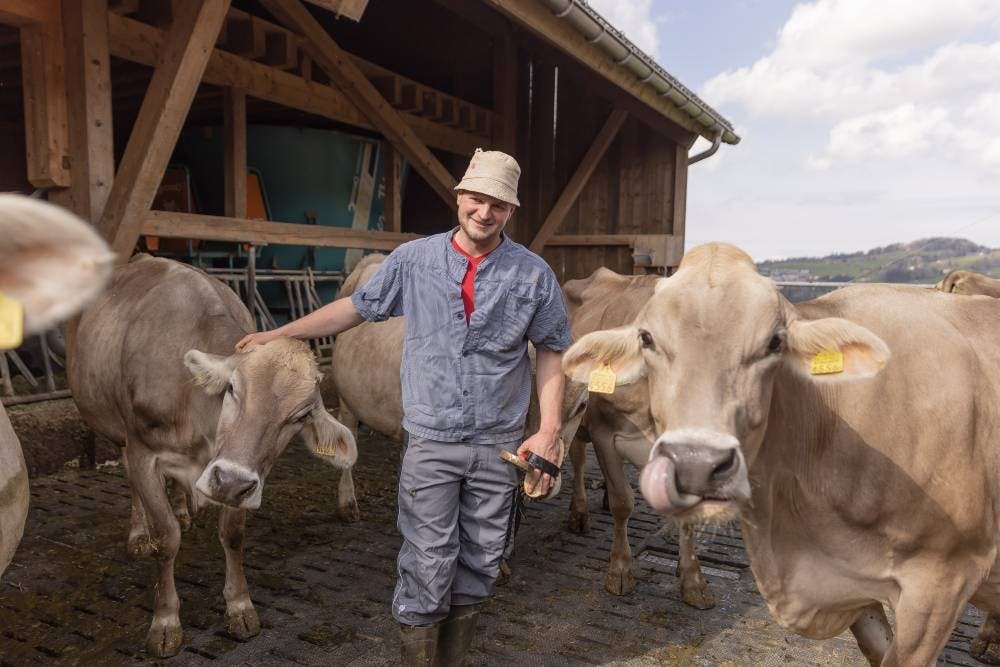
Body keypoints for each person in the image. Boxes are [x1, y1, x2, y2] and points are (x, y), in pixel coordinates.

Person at [236, 148, 571, 666]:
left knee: (482, 561)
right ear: (460, 197)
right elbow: (353, 308)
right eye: (477, 198)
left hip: (498, 447)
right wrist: (281, 331)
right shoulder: (415, 261)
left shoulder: (533, 275)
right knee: (428, 561)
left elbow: (551, 350)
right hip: (431, 443)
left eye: (498, 204)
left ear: (511, 211)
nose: (485, 212)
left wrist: (549, 431)